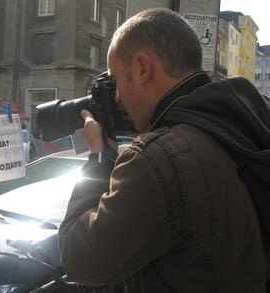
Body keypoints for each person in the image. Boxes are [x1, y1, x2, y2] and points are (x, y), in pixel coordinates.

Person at [58, 8, 270, 292]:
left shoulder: (158, 160)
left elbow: (80, 260)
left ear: (143, 68)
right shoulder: (245, 121)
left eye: (117, 80)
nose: (117, 96)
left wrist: (97, 157)